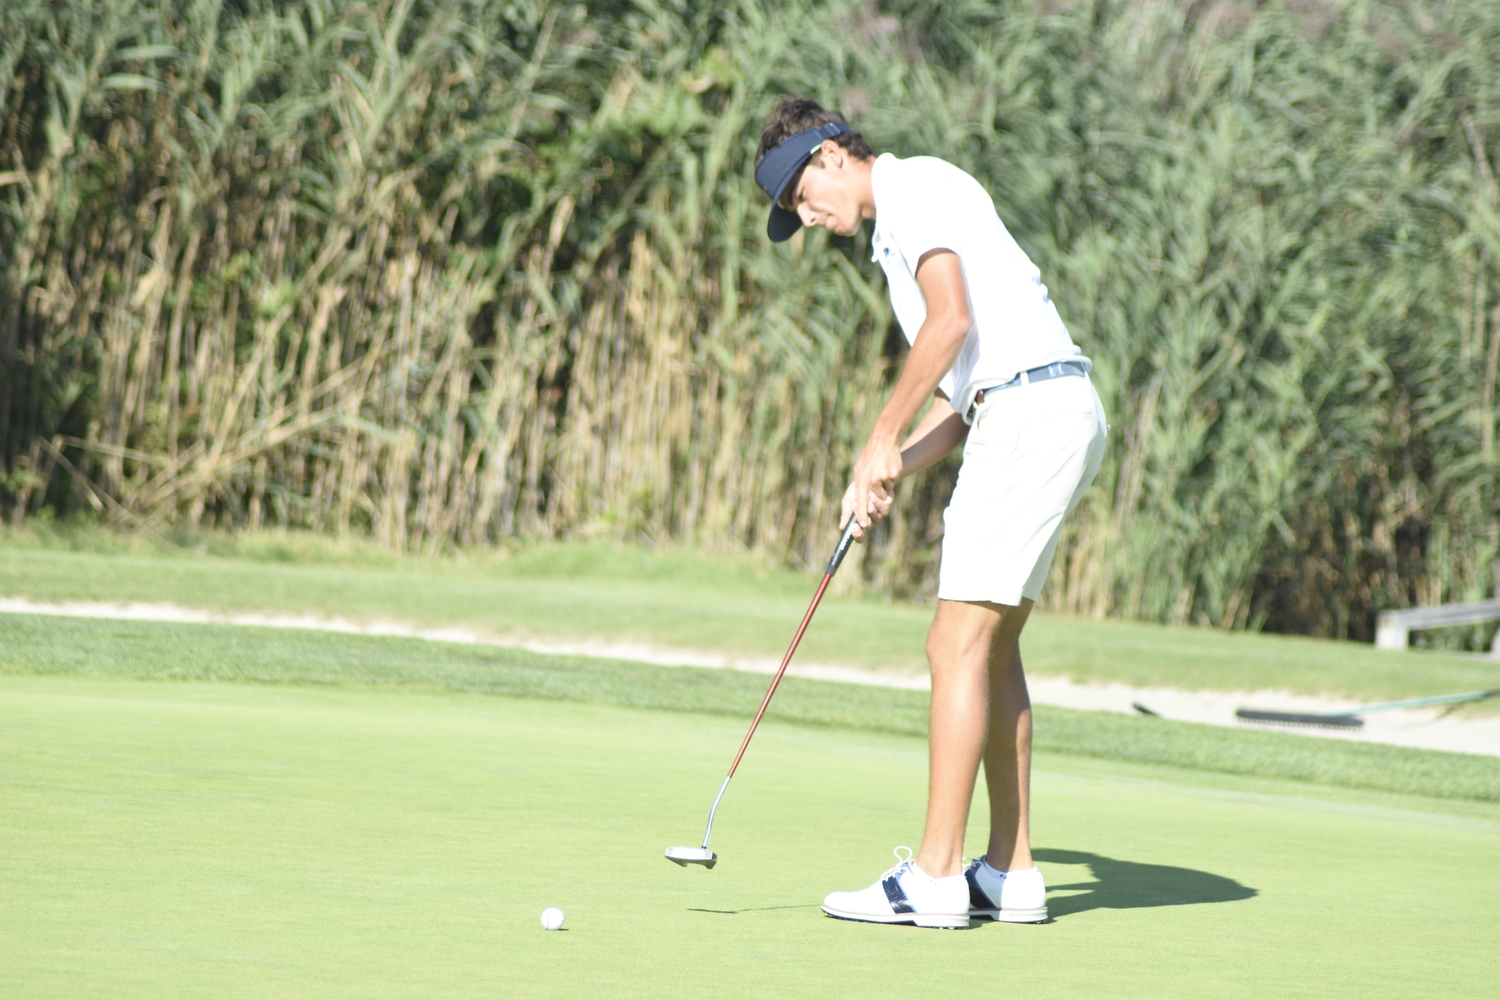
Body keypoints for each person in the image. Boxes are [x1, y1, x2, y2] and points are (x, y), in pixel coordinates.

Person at [753, 98, 1108, 928]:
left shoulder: (913, 189)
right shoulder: (899, 227)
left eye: (801, 192)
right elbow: (960, 399)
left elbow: (950, 324)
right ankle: (1010, 872)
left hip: (1030, 415)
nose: (805, 215)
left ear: (834, 153)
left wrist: (879, 431)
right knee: (991, 645)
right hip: (1051, 408)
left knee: (952, 644)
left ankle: (937, 878)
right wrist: (892, 467)